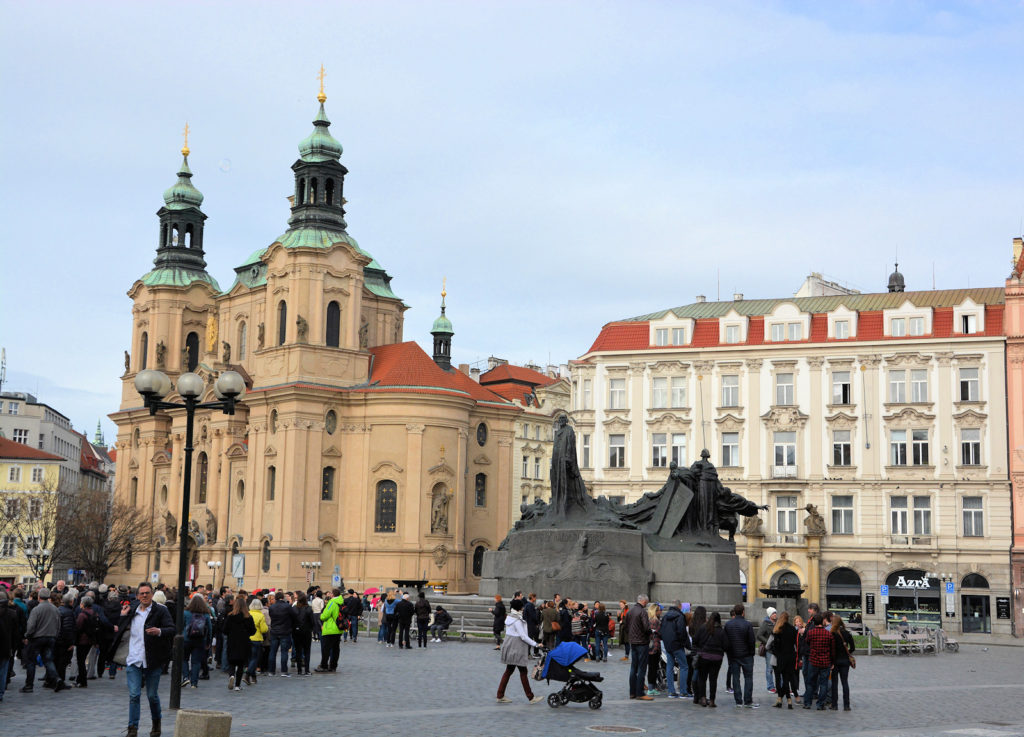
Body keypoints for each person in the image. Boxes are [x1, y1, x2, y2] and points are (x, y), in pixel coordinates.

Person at [113, 581, 174, 737]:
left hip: (152, 660)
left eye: (147, 593)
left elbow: (172, 629)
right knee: (134, 695)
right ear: (137, 595)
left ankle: (156, 724)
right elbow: (120, 628)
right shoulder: (132, 609)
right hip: (134, 659)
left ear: (152, 594)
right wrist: (122, 616)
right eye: (142, 593)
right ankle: (132, 728)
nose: (145, 595)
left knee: (152, 696)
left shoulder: (161, 611)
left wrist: (159, 631)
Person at [495, 598, 543, 704]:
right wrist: (536, 644)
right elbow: (523, 636)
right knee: (522, 672)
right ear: (520, 608)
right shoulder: (516, 620)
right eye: (522, 606)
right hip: (516, 647)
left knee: (509, 671)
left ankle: (500, 695)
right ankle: (530, 697)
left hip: (510, 645)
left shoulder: (510, 617)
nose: (523, 608)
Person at [21, 587, 63, 693]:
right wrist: (55, 635)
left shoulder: (36, 609)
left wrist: (27, 635)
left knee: (31, 661)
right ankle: (56, 679)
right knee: (48, 660)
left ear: (39, 597)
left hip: (37, 638)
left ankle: (29, 685)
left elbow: (31, 626)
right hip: (51, 637)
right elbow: (59, 625)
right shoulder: (55, 609)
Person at [723, 603, 757, 708]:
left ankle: (738, 700)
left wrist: (729, 653)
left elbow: (725, 641)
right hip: (746, 655)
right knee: (748, 678)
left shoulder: (728, 624)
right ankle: (747, 700)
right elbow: (752, 641)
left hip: (733, 655)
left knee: (735, 678)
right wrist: (751, 653)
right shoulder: (747, 624)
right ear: (743, 612)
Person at [692, 611, 727, 707]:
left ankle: (702, 698)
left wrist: (698, 651)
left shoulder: (703, 628)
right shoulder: (721, 631)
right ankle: (712, 700)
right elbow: (726, 645)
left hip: (704, 656)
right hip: (717, 658)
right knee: (713, 679)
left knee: (702, 678)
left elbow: (695, 640)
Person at [802, 613, 835, 710]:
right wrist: (832, 662)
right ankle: (820, 704)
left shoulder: (811, 633)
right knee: (823, 684)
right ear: (822, 622)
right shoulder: (828, 633)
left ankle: (807, 703)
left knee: (810, 682)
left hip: (813, 661)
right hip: (825, 661)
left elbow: (807, 642)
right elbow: (832, 649)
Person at [660, 600, 691, 698]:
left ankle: (671, 691)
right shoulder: (680, 616)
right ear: (680, 606)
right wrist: (687, 645)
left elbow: (662, 631)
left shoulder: (665, 616)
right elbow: (682, 633)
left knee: (669, 666)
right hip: (677, 645)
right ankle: (683, 691)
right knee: (684, 667)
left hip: (668, 645)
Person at [223, 596, 256, 691]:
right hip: (244, 642)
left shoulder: (230, 616)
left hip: (232, 641)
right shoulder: (248, 617)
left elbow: (225, 630)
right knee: (241, 664)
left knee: (232, 662)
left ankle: (231, 675)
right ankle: (237, 685)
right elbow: (253, 631)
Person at [623, 594, 652, 701]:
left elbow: (626, 627)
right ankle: (640, 693)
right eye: (647, 603)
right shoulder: (642, 612)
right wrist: (650, 633)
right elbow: (646, 627)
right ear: (644, 602)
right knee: (641, 668)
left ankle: (632, 692)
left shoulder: (630, 611)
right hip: (642, 643)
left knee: (633, 668)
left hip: (633, 642)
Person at [182, 595, 212, 689]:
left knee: (184, 659)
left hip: (186, 639)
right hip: (200, 640)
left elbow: (181, 625)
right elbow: (210, 629)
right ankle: (194, 683)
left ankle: (186, 677)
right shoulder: (206, 614)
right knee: (196, 662)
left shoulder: (186, 612)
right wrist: (208, 642)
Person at [770, 611, 798, 709]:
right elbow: (795, 644)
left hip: (781, 657)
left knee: (779, 679)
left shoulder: (778, 629)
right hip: (791, 656)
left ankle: (781, 699)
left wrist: (776, 653)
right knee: (786, 678)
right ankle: (788, 700)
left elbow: (775, 646)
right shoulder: (793, 629)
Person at [266, 591, 296, 676]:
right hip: (285, 631)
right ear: (283, 598)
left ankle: (271, 671)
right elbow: (294, 616)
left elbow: (271, 616)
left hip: (274, 631)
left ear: (276, 598)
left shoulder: (272, 607)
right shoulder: (287, 606)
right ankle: (284, 671)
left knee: (273, 652)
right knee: (284, 652)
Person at [830, 614, 855, 711]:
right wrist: (847, 653)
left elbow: (830, 649)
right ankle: (846, 705)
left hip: (835, 661)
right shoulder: (847, 633)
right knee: (845, 682)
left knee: (834, 683)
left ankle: (834, 704)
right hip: (845, 661)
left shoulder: (832, 633)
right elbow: (852, 648)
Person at [73, 596, 99, 688]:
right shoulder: (94, 613)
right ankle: (80, 679)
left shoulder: (82, 615)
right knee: (83, 660)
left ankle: (82, 681)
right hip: (90, 640)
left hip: (82, 640)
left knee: (81, 661)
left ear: (83, 604)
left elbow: (78, 627)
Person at [316, 587, 343, 671]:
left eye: (331, 593)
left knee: (326, 648)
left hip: (330, 629)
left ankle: (324, 666)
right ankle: (333, 666)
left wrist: (321, 616)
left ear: (333, 594)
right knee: (335, 649)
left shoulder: (332, 602)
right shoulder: (341, 602)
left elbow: (325, 616)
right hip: (338, 628)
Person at [0, 590, 20, 702]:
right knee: (3, 672)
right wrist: (14, 647)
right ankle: (0, 693)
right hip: (6, 646)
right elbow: (16, 633)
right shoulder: (12, 613)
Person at [292, 592, 316, 675]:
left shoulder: (294, 608)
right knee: (307, 651)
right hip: (306, 632)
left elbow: (291, 620)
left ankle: (299, 670)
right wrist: (311, 628)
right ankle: (307, 670)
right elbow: (312, 621)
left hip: (296, 632)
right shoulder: (308, 608)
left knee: (298, 651)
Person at [756, 606, 778, 693]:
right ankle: (770, 687)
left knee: (778, 668)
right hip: (769, 650)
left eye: (775, 613)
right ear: (769, 615)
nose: (775, 614)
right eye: (773, 613)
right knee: (769, 669)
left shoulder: (777, 622)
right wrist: (768, 642)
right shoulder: (766, 623)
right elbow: (759, 635)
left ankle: (780, 685)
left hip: (777, 649)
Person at [645, 602, 662, 696]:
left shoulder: (649, 620)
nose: (661, 612)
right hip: (654, 647)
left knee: (652, 668)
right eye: (659, 610)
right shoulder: (655, 621)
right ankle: (651, 688)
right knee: (653, 668)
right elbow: (659, 633)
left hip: (650, 647)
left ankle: (652, 687)